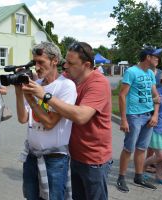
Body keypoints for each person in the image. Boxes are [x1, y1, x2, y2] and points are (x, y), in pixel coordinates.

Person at [23, 42, 112, 200]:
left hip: (93, 158)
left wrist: (44, 96)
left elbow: (81, 116)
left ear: (86, 65)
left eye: (71, 63)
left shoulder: (98, 83)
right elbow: (51, 83)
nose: (65, 66)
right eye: (65, 61)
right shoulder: (69, 77)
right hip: (72, 154)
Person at [16, 42, 77, 199]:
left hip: (55, 159)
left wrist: (32, 99)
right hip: (32, 155)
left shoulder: (66, 86)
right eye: (34, 62)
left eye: (41, 62)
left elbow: (50, 123)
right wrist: (18, 92)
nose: (36, 67)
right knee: (31, 196)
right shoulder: (35, 84)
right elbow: (23, 118)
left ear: (54, 60)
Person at [116, 47, 160, 193]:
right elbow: (122, 95)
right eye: (155, 56)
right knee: (129, 148)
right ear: (148, 57)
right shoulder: (131, 72)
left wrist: (155, 115)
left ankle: (138, 176)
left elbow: (156, 96)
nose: (158, 58)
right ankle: (121, 177)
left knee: (142, 148)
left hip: (148, 115)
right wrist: (123, 119)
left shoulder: (151, 73)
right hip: (134, 116)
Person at [143, 70, 162, 187]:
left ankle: (159, 176)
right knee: (160, 155)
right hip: (156, 128)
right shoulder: (157, 94)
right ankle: (140, 168)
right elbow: (150, 110)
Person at [145, 48, 162, 173]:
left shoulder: (161, 73)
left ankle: (150, 161)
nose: (156, 59)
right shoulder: (144, 72)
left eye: (158, 58)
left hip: (159, 107)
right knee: (149, 136)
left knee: (155, 136)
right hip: (147, 107)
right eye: (154, 57)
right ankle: (146, 163)